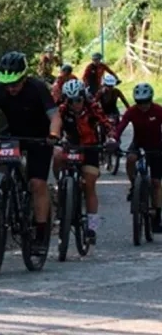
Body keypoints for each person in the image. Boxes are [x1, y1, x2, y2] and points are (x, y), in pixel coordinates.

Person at [0, 51, 60, 255]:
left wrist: (53, 134)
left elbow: (55, 116)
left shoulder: (37, 88)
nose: (11, 88)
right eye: (7, 84)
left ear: (24, 77)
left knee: (37, 184)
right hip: (15, 134)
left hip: (40, 138)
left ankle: (41, 234)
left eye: (15, 83)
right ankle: (1, 182)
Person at [51, 79, 112, 244]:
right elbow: (52, 124)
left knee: (89, 185)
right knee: (56, 155)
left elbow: (106, 123)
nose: (75, 104)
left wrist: (111, 138)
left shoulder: (93, 108)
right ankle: (61, 185)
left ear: (83, 97)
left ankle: (93, 227)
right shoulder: (63, 110)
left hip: (90, 149)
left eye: (78, 99)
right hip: (71, 147)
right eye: (71, 101)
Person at [107, 83, 162, 232]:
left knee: (156, 182)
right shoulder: (132, 111)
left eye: (146, 102)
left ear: (150, 100)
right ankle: (134, 185)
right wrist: (114, 139)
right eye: (139, 102)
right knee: (130, 158)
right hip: (139, 143)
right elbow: (121, 126)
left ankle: (157, 215)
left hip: (157, 146)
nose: (143, 105)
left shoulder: (158, 110)